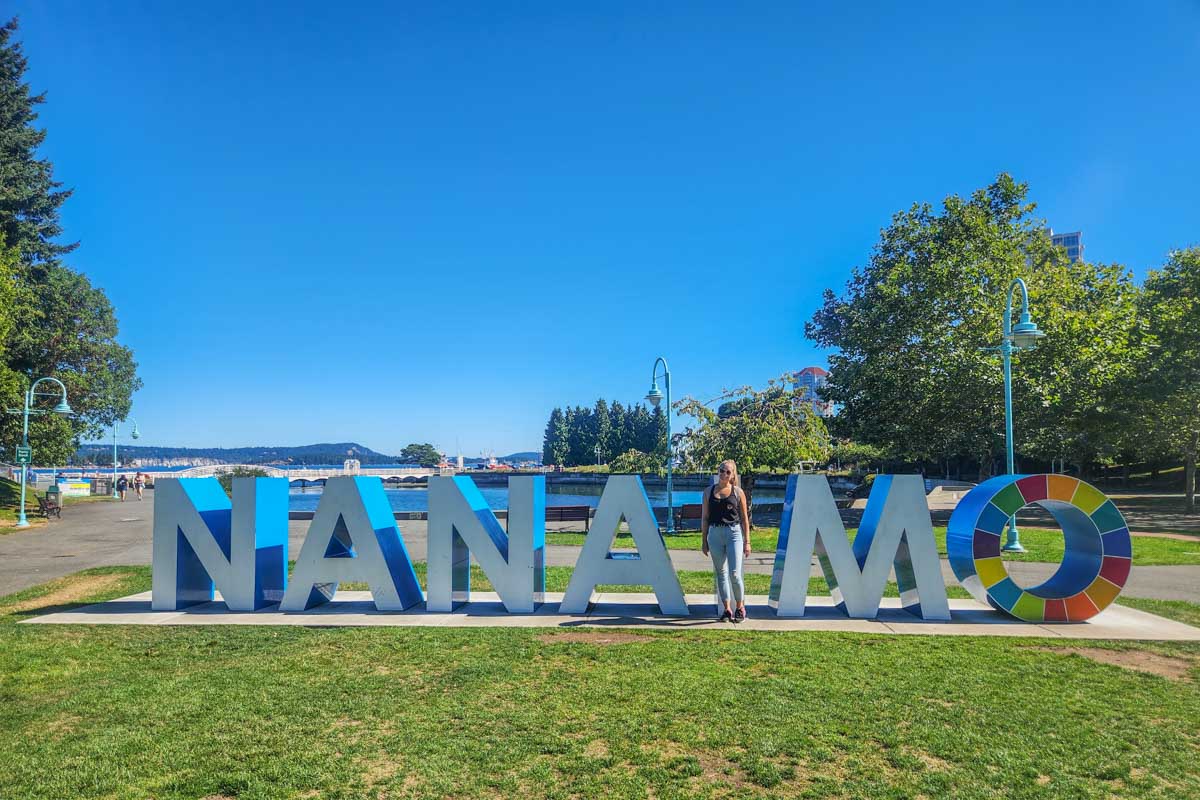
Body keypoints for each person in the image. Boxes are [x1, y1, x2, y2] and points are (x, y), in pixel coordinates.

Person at [701, 459, 752, 623]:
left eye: (727, 472)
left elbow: (745, 519)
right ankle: (727, 610)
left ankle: (740, 607)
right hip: (715, 533)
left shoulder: (738, 492)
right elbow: (705, 518)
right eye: (721, 470)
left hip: (734, 534)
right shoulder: (708, 492)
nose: (723, 474)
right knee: (721, 574)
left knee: (735, 574)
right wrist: (704, 540)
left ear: (732, 475)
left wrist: (747, 542)